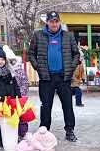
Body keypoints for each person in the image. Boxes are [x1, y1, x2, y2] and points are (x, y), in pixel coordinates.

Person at [27, 11, 80, 142]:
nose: (54, 24)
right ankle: (44, 132)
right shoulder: (38, 35)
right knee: (46, 105)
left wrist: (71, 67)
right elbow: (31, 53)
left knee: (67, 105)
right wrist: (37, 66)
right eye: (51, 21)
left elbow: (76, 54)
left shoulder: (68, 36)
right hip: (46, 77)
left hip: (64, 77)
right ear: (47, 22)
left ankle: (69, 130)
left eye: (56, 21)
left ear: (59, 22)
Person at [3, 45, 30, 139]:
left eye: (12, 60)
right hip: (11, 97)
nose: (12, 62)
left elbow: (25, 82)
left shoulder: (18, 69)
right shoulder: (6, 71)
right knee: (13, 116)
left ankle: (22, 133)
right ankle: (15, 133)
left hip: (20, 97)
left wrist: (22, 95)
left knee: (22, 116)